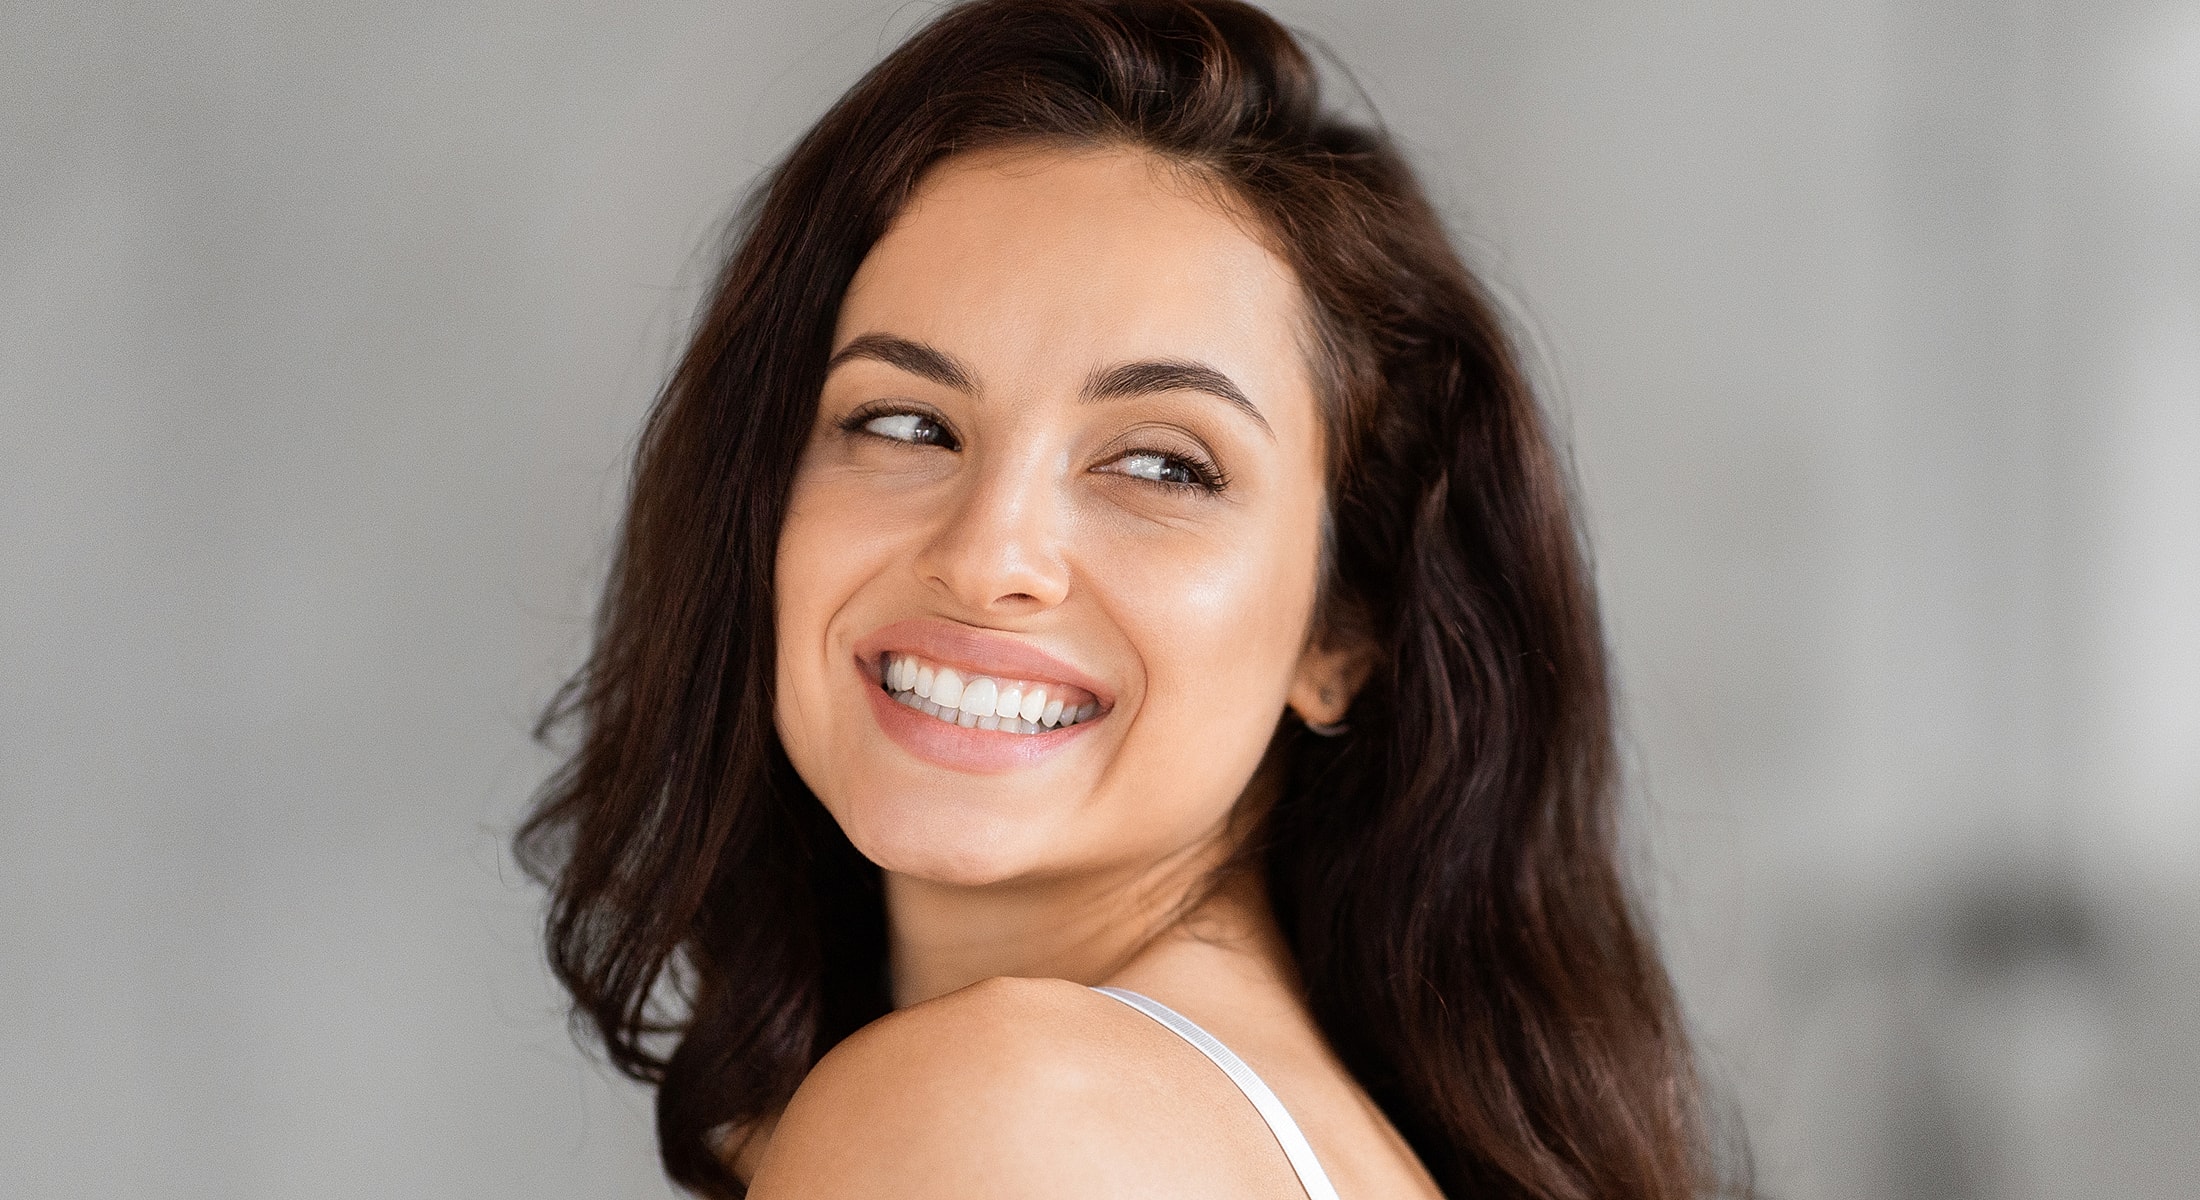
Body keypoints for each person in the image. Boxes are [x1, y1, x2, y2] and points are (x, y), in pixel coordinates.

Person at [518, 1, 1716, 1196]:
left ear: (1344, 622)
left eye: (1161, 466)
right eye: (904, 422)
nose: (989, 556)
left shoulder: (998, 1116)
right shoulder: (1264, 1124)